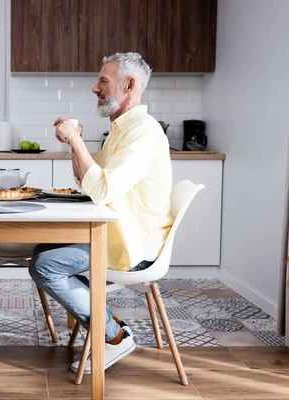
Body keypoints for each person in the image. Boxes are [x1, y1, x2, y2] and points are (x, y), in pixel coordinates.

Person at [29, 52, 173, 374]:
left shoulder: (143, 132)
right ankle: (107, 326)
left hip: (132, 245)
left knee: (45, 265)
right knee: (42, 252)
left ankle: (113, 336)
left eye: (103, 81)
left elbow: (103, 189)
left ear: (130, 85)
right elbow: (87, 184)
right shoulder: (122, 128)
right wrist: (74, 145)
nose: (95, 87)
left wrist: (78, 140)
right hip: (114, 233)